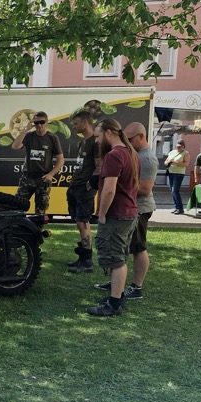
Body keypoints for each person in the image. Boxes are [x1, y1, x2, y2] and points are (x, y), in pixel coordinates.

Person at [87, 118, 138, 317]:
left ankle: (114, 303)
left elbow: (109, 189)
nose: (97, 141)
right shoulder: (130, 153)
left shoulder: (114, 155)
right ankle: (117, 296)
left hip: (116, 215)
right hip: (128, 213)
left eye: (98, 136)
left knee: (115, 260)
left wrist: (101, 213)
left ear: (108, 132)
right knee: (120, 257)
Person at [99, 122, 156, 301]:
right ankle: (117, 286)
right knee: (122, 252)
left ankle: (135, 287)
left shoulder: (146, 158)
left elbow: (145, 189)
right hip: (131, 208)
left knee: (138, 248)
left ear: (141, 137)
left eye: (130, 139)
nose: (128, 141)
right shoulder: (132, 154)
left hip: (139, 208)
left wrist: (120, 184)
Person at [11, 110, 65, 220]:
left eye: (42, 122)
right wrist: (25, 130)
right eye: (36, 123)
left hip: (43, 179)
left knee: (40, 211)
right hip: (27, 178)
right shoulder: (29, 136)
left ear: (47, 122)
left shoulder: (53, 138)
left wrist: (51, 174)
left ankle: (37, 229)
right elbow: (15, 146)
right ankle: (18, 228)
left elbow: (61, 159)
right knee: (17, 206)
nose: (39, 125)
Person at [66, 110, 98, 273]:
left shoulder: (96, 142)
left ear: (85, 123)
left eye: (76, 123)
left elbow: (99, 167)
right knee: (79, 223)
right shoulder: (82, 142)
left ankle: (87, 262)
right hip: (75, 187)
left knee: (83, 223)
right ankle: (83, 257)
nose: (74, 126)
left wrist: (89, 186)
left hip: (84, 190)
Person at [163, 140, 189, 214]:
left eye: (180, 146)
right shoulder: (172, 152)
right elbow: (165, 162)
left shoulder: (186, 153)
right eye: (177, 146)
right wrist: (168, 162)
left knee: (175, 191)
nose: (178, 148)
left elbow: (186, 164)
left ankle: (180, 208)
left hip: (179, 174)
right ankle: (176, 207)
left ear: (183, 146)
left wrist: (174, 162)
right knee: (172, 191)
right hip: (171, 173)